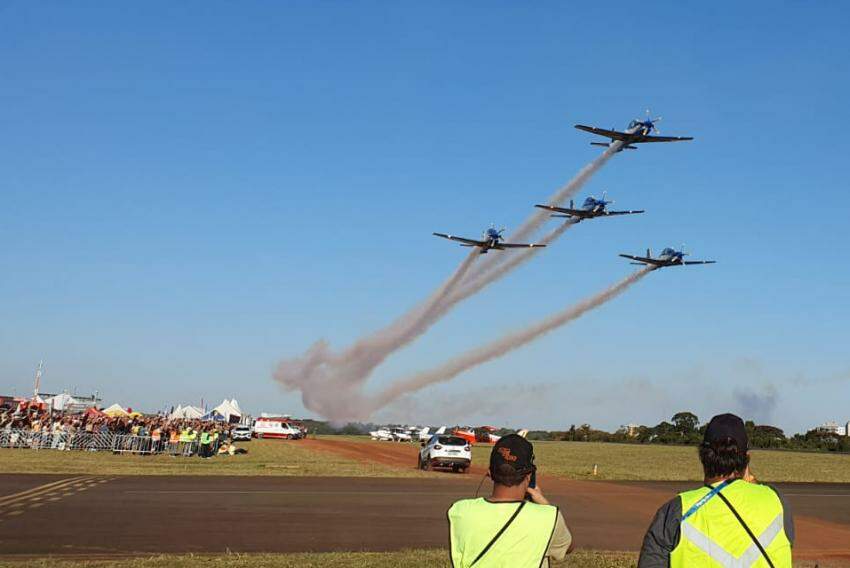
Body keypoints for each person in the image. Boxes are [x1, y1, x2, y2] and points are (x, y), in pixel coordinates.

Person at [638, 413, 794, 568]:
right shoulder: (777, 502)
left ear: (702, 456)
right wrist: (749, 478)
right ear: (746, 459)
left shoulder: (677, 510)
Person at [448, 434, 572, 567]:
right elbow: (567, 547)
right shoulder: (550, 517)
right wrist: (545, 505)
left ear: (490, 472)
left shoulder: (459, 511)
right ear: (529, 476)